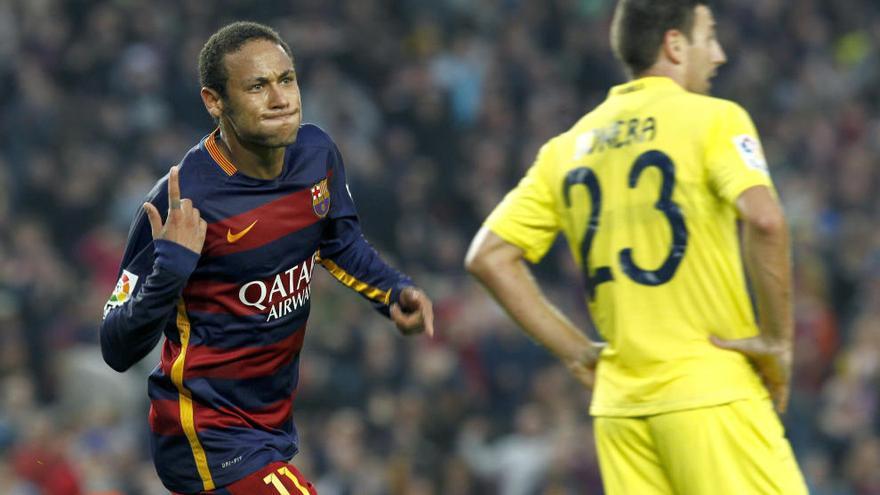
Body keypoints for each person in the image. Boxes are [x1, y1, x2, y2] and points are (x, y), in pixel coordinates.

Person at [465, 1, 807, 493]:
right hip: (709, 394)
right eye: (708, 37)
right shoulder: (714, 119)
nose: (720, 54)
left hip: (620, 412)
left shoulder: (567, 146)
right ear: (674, 44)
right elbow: (767, 220)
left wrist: (578, 352)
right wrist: (777, 341)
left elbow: (488, 257)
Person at [99, 21, 434, 495]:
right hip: (203, 435)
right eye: (258, 86)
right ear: (214, 101)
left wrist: (392, 291)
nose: (281, 99)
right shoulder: (179, 202)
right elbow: (115, 345)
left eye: (287, 79)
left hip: (271, 425)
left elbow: (339, 242)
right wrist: (170, 269)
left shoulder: (316, 154)